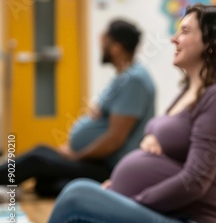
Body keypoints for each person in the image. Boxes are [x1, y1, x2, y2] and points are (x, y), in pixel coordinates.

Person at [14, 3, 216, 223]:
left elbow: (194, 181)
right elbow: (175, 145)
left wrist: (132, 200)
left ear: (212, 42)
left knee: (77, 196)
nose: (174, 39)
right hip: (167, 216)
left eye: (184, 31)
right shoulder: (188, 92)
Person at [0, 19, 155, 196]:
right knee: (44, 168)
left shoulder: (134, 81)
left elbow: (115, 139)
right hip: (95, 160)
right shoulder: (124, 78)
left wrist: (76, 156)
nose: (101, 46)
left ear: (116, 48)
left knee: (38, 159)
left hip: (108, 166)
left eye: (105, 42)